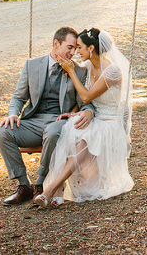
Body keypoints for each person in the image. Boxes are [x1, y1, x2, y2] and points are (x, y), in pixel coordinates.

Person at [0, 26, 94, 206]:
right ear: (56, 44)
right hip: (33, 121)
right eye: (69, 47)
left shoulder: (78, 71)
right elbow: (18, 96)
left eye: (75, 48)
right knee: (1, 132)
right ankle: (24, 185)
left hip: (59, 121)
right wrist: (13, 114)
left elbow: (85, 101)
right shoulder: (32, 65)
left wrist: (88, 111)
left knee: (53, 132)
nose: (73, 53)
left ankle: (41, 183)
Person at [35, 27, 134, 207]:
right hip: (96, 118)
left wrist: (72, 72)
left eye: (79, 47)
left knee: (86, 139)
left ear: (91, 48)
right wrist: (74, 112)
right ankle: (57, 190)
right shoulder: (89, 66)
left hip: (110, 121)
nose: (76, 52)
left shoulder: (113, 71)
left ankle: (49, 190)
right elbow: (82, 100)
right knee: (70, 128)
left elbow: (87, 96)